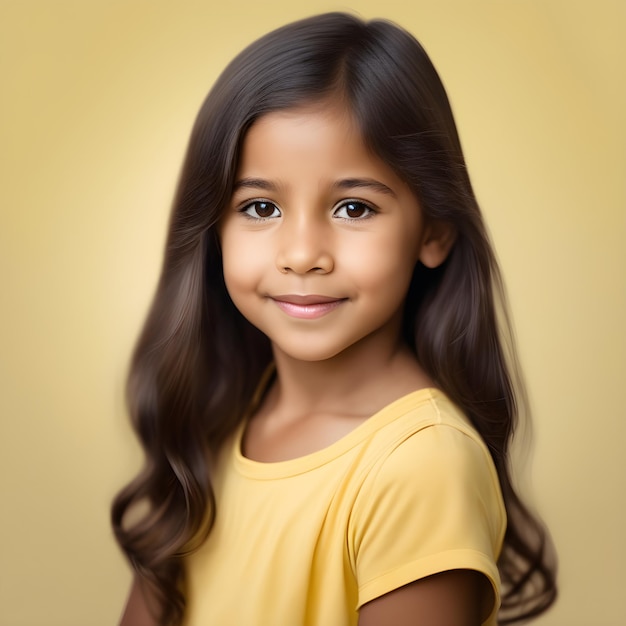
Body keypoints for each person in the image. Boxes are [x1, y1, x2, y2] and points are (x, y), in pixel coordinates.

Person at [112, 12, 557, 626]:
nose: (301, 254)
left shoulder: (421, 465)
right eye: (260, 206)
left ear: (433, 231)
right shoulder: (219, 413)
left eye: (353, 207)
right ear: (212, 228)